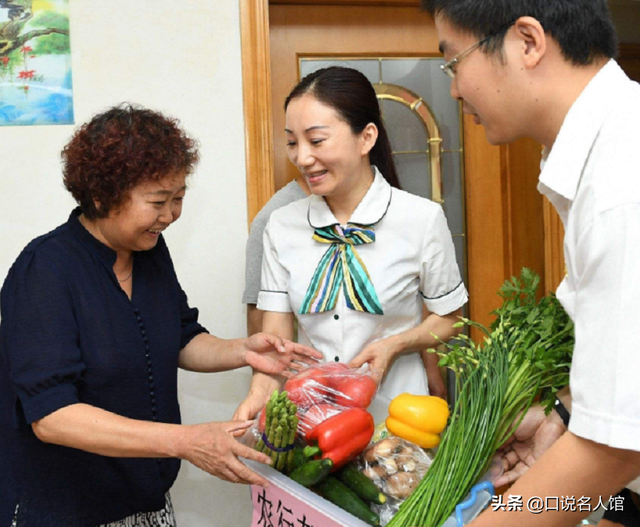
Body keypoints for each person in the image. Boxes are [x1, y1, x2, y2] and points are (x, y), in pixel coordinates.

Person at [0, 104, 322, 527]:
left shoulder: (148, 251)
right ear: (101, 196)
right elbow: (53, 417)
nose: (169, 216)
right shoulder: (45, 270)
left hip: (143, 501)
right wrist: (187, 441)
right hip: (63, 508)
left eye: (179, 199)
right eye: (157, 202)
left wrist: (244, 350)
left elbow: (180, 337)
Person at [420, 0, 640, 525]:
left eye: (454, 62)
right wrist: (560, 412)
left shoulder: (620, 186)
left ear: (527, 42)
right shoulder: (609, 152)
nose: (453, 88)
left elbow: (616, 447)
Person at [235, 66, 467, 422]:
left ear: (366, 138)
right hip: (315, 419)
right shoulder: (281, 227)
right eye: (293, 142)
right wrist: (259, 394)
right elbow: (276, 341)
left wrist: (397, 343)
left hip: (400, 418)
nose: (302, 158)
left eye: (316, 140)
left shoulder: (421, 219)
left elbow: (451, 319)